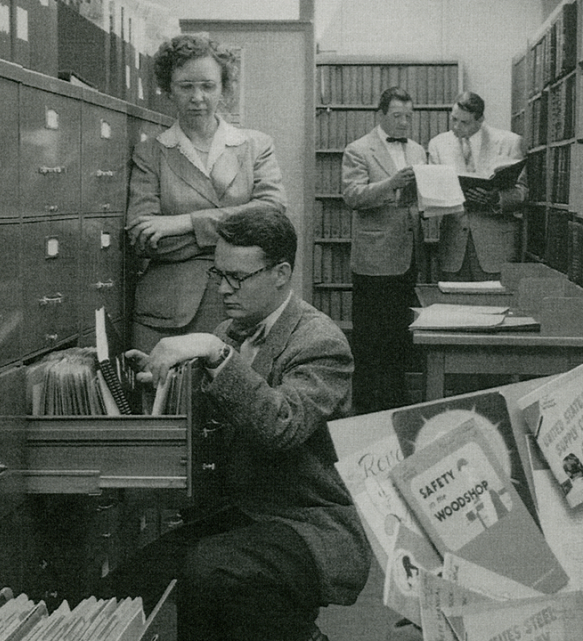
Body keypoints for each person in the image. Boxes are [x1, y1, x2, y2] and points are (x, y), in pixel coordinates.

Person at [116, 210, 371, 641]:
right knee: (134, 583)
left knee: (212, 568)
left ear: (280, 273)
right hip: (243, 513)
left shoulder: (320, 342)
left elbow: (281, 424)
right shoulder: (232, 331)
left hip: (306, 521)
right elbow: (218, 417)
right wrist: (161, 386)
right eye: (219, 273)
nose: (222, 288)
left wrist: (216, 355)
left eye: (237, 278)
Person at [125, 32, 287, 352]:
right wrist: (239, 236)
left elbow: (272, 214)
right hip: (168, 313)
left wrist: (182, 223)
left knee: (238, 396)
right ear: (169, 90)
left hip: (245, 305)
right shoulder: (151, 153)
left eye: (208, 86)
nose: (197, 96)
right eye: (186, 86)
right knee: (164, 401)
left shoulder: (255, 146)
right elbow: (142, 236)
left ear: (223, 88)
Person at [341, 86, 428, 413]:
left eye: (409, 116)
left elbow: (421, 197)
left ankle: (398, 408)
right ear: (380, 115)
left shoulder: (418, 151)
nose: (405, 123)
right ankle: (365, 411)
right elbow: (352, 196)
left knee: (400, 339)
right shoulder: (358, 149)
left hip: (409, 256)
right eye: (397, 116)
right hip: (374, 260)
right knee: (369, 341)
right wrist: (390, 184)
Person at [426, 91, 527, 281]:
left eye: (464, 123)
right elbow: (432, 193)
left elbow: (522, 193)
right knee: (454, 307)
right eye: (454, 119)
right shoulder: (438, 144)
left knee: (494, 306)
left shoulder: (509, 142)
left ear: (480, 120)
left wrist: (496, 199)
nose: (456, 127)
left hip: (496, 247)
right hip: (454, 246)